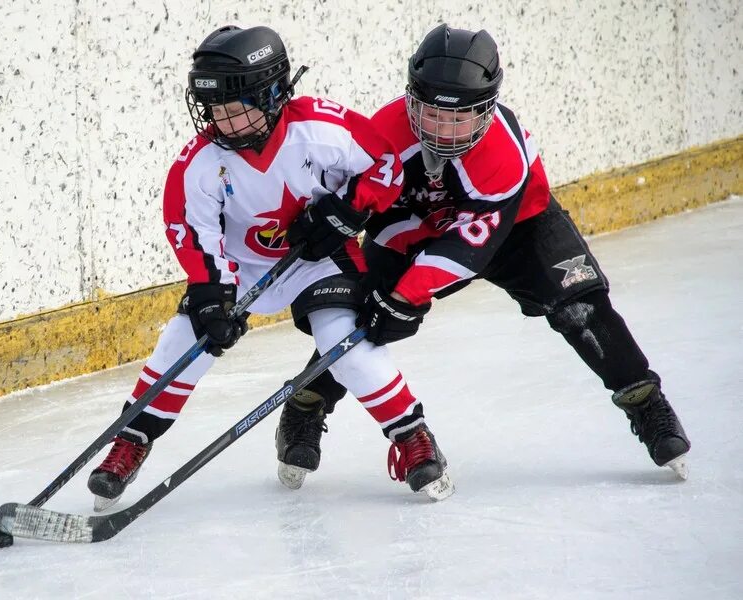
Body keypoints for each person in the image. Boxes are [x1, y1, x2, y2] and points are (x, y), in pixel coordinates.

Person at [292, 24, 691, 482]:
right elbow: (351, 195)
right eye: (431, 114)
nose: (444, 131)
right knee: (360, 317)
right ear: (411, 99)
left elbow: (468, 246)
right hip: (412, 230)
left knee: (582, 306)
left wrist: (405, 297)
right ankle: (305, 404)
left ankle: (645, 402)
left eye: (458, 119)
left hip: (519, 227)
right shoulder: (382, 132)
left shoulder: (504, 153)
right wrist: (335, 214)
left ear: (486, 109)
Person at [87, 24, 454, 510]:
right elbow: (191, 230)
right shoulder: (199, 163)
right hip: (238, 267)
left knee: (342, 341)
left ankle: (411, 436)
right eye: (214, 110)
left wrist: (347, 210)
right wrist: (211, 292)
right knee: (183, 341)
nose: (223, 123)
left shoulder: (322, 129)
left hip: (318, 261)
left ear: (275, 93)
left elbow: (383, 164)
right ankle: (131, 441)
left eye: (235, 108)